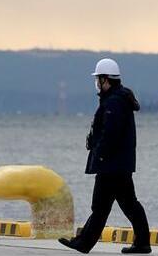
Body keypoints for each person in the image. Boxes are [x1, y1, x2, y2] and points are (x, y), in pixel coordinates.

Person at [59, 58, 152, 254]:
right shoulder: (116, 99)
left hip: (112, 165)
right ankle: (142, 242)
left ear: (105, 80)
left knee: (103, 206)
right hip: (118, 164)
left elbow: (110, 134)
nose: (97, 84)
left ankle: (84, 243)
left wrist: (99, 156)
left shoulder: (114, 102)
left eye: (98, 80)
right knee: (126, 204)